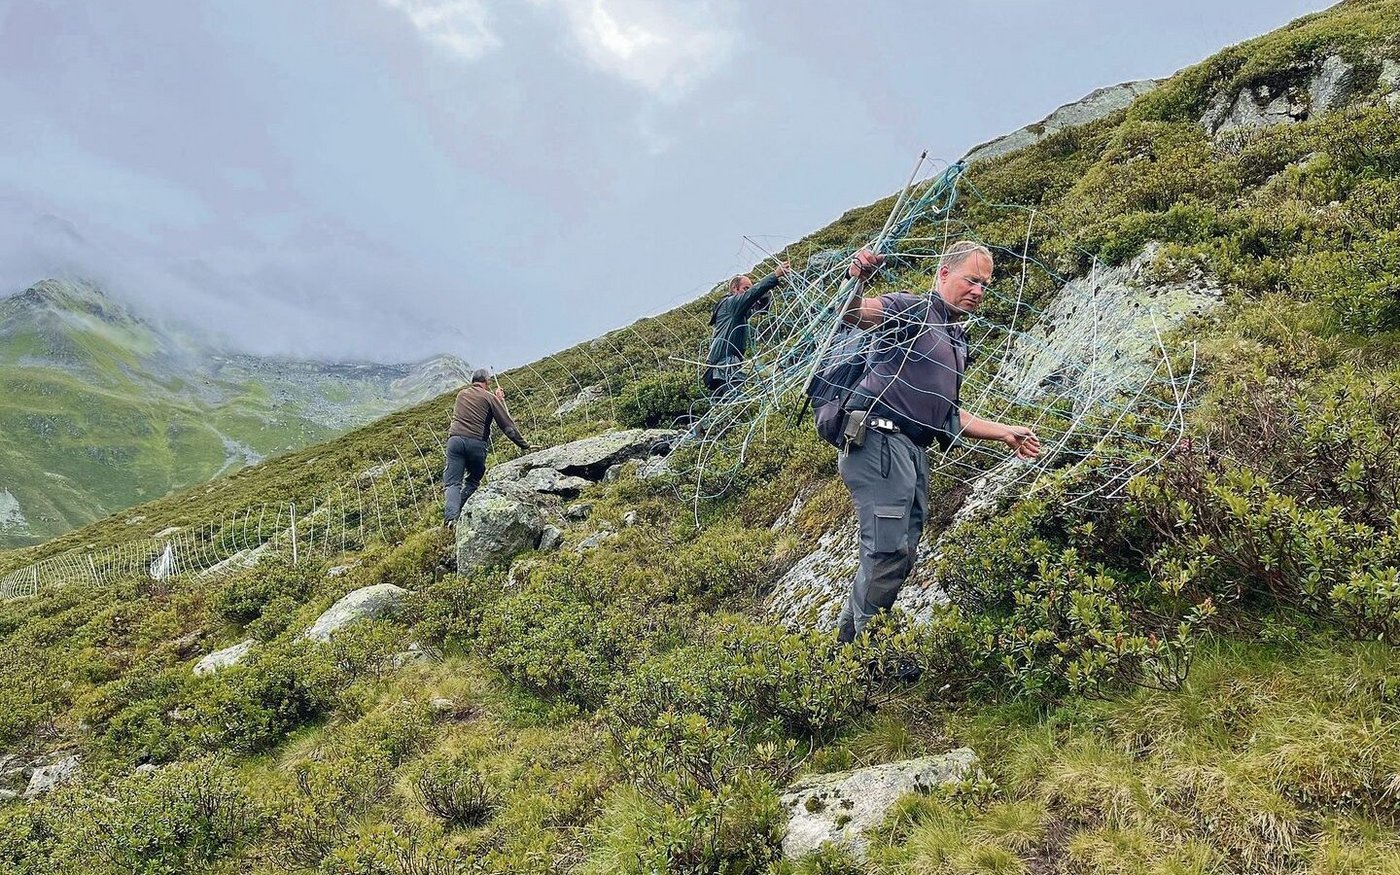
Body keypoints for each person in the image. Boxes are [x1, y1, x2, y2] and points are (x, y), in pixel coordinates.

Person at [834, 241, 1041, 643]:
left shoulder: (955, 339)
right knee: (887, 550)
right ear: (944, 274)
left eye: (985, 284)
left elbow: (946, 413)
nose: (979, 291)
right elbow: (854, 313)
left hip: (912, 453)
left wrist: (1005, 432)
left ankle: (845, 651)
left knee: (901, 553)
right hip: (878, 444)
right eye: (971, 280)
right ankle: (868, 652)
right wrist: (855, 279)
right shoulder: (911, 309)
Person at [443, 368, 531, 527]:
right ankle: (461, 512)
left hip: (454, 441)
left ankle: (451, 519)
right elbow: (508, 427)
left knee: (452, 483)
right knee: (473, 480)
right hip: (476, 443)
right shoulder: (489, 397)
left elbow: (476, 407)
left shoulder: (461, 394)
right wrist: (524, 445)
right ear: (487, 382)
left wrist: (495, 399)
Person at [703, 261, 789, 396]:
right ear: (734, 290)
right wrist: (775, 275)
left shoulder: (738, 311)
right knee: (734, 403)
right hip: (725, 366)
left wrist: (764, 294)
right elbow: (751, 295)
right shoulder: (730, 304)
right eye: (745, 288)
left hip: (726, 366)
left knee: (730, 404)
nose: (748, 291)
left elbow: (760, 308)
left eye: (750, 288)